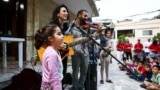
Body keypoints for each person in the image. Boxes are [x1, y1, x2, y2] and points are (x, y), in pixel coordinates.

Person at [70, 9, 101, 90]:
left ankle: (80, 86)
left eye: (87, 16)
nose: (86, 18)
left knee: (84, 73)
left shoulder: (87, 28)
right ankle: (75, 86)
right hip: (76, 52)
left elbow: (90, 43)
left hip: (85, 53)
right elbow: (70, 41)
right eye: (85, 16)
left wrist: (97, 33)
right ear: (79, 15)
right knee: (75, 72)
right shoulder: (72, 27)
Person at [35, 24, 64, 90]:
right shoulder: (52, 54)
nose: (62, 36)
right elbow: (53, 76)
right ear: (51, 38)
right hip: (51, 86)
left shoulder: (53, 50)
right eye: (59, 34)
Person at [49, 4, 70, 77]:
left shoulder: (66, 28)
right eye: (64, 11)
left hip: (63, 56)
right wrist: (57, 46)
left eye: (67, 11)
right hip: (54, 56)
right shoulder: (52, 26)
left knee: (62, 75)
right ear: (58, 14)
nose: (66, 13)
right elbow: (45, 39)